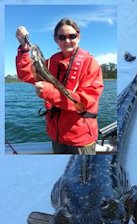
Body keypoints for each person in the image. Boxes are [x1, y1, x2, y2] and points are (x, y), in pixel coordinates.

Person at [15, 18, 104, 154]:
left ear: (78, 37)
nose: (67, 41)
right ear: (56, 40)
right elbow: (26, 74)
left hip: (81, 140)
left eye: (72, 36)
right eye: (62, 37)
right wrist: (24, 48)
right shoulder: (50, 62)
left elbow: (85, 101)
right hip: (56, 137)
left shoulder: (90, 63)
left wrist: (50, 92)